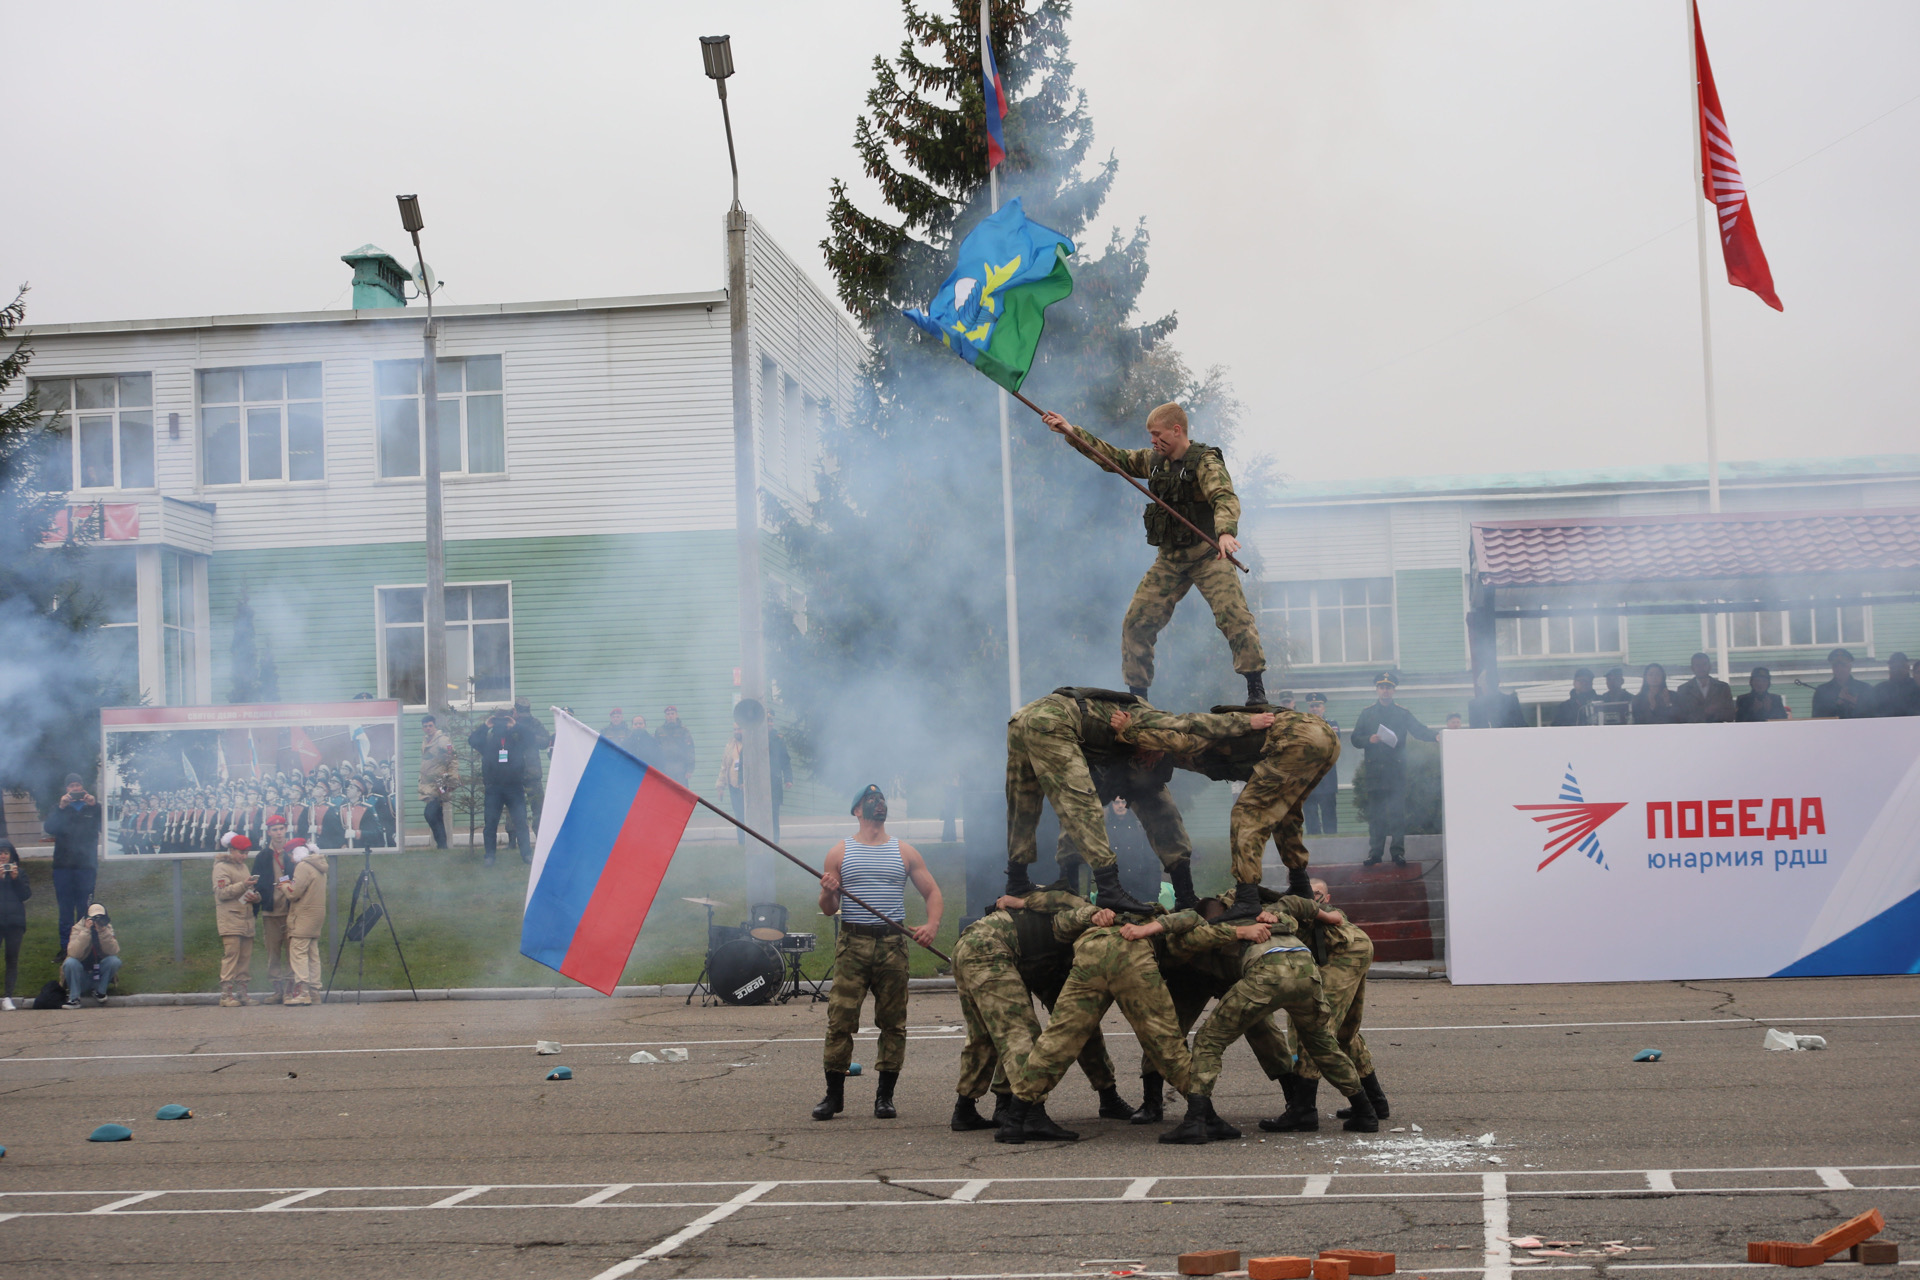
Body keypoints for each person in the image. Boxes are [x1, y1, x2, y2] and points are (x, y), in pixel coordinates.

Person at [1040, 404, 1268, 706]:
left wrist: (1226, 532)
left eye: (1157, 434)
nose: (1152, 441)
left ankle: (1255, 687)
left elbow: (1223, 496)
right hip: (1170, 560)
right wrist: (1072, 432)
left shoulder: (1204, 462)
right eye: (1150, 435)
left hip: (1207, 555)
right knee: (1136, 622)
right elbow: (1113, 458)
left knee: (1234, 616)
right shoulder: (1154, 462)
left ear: (1177, 430)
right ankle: (1138, 698)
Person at [1004, 688, 1273, 913]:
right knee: (1079, 805)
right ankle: (1106, 890)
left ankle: (1018, 881)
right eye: (1148, 759)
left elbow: (1163, 815)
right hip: (1053, 720)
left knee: (1024, 800)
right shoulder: (1151, 719)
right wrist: (1246, 722)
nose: (1145, 762)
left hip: (1022, 720)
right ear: (1161, 745)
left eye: (1147, 763)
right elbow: (1195, 723)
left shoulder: (1130, 760)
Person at [1154, 891, 1375, 1143]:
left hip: (1267, 973)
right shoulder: (1273, 915)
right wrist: (1328, 914)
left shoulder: (1220, 927)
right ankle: (1364, 1111)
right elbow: (1297, 905)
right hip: (1306, 970)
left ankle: (1196, 1120)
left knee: (1209, 1040)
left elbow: (1185, 932)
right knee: (1322, 1044)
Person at [999, 898, 1197, 1145]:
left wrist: (1089, 916)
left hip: (1090, 953)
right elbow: (1193, 921)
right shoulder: (1160, 919)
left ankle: (1015, 1119)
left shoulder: (1087, 908)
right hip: (1131, 958)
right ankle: (1203, 1113)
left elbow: (1061, 922)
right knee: (1164, 1039)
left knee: (1058, 1040)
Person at [1113, 703, 1339, 916]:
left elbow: (1183, 740)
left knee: (1247, 814)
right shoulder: (1168, 754)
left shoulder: (1183, 732)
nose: (1145, 762)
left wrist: (1129, 732)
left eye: (1142, 754)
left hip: (1295, 737)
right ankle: (1300, 884)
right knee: (1286, 812)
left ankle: (1247, 899)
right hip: (1323, 739)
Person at [949, 889, 1130, 1138]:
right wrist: (1097, 915)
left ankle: (965, 1110)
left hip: (976, 947)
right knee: (1020, 1033)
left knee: (986, 1035)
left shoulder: (1060, 952)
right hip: (989, 949)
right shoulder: (1075, 918)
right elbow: (1078, 915)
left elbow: (1079, 1025)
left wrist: (1106, 1090)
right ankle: (1031, 1115)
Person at [813, 785, 942, 1122]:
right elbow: (829, 909)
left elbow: (932, 891)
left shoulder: (905, 851)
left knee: (893, 1023)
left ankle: (885, 1098)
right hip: (853, 944)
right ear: (857, 810)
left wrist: (932, 924)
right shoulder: (839, 852)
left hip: (891, 945)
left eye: (882, 799)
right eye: (870, 800)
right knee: (840, 1021)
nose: (878, 803)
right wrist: (827, 893)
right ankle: (833, 1096)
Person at [1265, 877, 1388, 1132]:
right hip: (1354, 950)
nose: (1314, 897)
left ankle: (1303, 1110)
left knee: (1316, 1029)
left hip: (1345, 955)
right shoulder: (1291, 905)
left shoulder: (1327, 912)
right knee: (1345, 1034)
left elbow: (1314, 916)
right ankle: (1376, 1101)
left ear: (1327, 898)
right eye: (1310, 892)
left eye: (1319, 893)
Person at [1350, 673, 1437, 867]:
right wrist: (1368, 740)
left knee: (1397, 814)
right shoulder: (1368, 713)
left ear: (1394, 690)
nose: (1385, 690)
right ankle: (1375, 853)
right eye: (1382, 687)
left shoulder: (1402, 713)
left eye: (1389, 687)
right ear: (1377, 690)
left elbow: (1419, 729)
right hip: (1375, 773)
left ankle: (1398, 852)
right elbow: (1355, 738)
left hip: (1395, 771)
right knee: (1376, 815)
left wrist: (1437, 736)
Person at [469, 706, 538, 866]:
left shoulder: (517, 740)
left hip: (514, 787)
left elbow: (531, 739)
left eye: (505, 720)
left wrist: (516, 725)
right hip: (494, 788)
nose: (502, 725)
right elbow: (472, 740)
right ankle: (490, 856)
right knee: (491, 823)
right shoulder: (487, 741)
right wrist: (486, 725)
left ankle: (527, 854)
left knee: (520, 822)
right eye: (499, 720)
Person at [44, 773, 101, 944]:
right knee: (65, 908)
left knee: (85, 908)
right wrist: (61, 807)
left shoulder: (92, 807)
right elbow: (49, 828)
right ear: (66, 789)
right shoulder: (60, 807)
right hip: (63, 866)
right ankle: (66, 947)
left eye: (78, 785)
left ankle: (85, 947)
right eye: (71, 786)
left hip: (86, 866)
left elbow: (104, 827)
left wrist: (95, 806)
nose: (75, 789)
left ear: (83, 788)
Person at [249, 818, 296, 1003]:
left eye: (281, 829)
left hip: (291, 910)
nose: (278, 833)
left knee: (292, 951)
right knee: (273, 952)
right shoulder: (263, 856)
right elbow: (257, 882)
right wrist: (258, 899)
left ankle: (291, 989)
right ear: (268, 832)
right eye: (274, 829)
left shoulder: (293, 852)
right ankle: (277, 989)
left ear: (286, 830)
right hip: (271, 911)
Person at [212, 833, 258, 1007]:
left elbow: (245, 890)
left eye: (246, 853)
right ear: (231, 850)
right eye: (241, 853)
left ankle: (242, 993)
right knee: (231, 956)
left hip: (246, 917)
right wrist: (244, 885)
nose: (244, 857)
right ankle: (226, 994)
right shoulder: (221, 867)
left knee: (245, 958)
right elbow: (222, 893)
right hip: (230, 918)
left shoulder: (243, 867)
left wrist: (255, 896)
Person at [280, 840, 328, 1006]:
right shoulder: (320, 866)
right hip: (316, 916)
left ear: (297, 852)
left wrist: (284, 885)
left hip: (303, 916)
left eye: (291, 855)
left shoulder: (303, 867)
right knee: (313, 953)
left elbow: (294, 893)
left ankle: (302, 991)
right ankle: (315, 992)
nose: (291, 860)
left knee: (298, 952)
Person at [62, 902, 121, 1008]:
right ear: (87, 918)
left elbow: (114, 951)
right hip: (81, 976)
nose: (97, 921)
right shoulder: (78, 928)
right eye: (94, 918)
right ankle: (74, 998)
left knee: (114, 961)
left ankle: (100, 991)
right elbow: (73, 953)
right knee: (70, 962)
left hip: (98, 975)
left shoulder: (106, 928)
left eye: (100, 917)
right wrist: (86, 931)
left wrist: (103, 932)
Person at [418, 714, 458, 850]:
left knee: (429, 813)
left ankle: (442, 844)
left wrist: (451, 779)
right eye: (425, 726)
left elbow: (452, 758)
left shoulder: (442, 740)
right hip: (428, 783)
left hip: (439, 781)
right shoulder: (426, 740)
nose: (428, 728)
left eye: (430, 726)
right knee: (436, 814)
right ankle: (442, 846)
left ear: (435, 726)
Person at [1302, 695, 1340, 836]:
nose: (1315, 709)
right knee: (1311, 815)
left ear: (1323, 708)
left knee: (1329, 814)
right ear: (1308, 708)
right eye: (1312, 706)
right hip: (1308, 779)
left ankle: (1332, 846)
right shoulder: (1302, 726)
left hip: (1327, 778)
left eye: (1318, 706)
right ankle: (1314, 847)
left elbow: (1333, 744)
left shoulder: (1331, 724)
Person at [0, 841, 30, 1011]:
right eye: (0, 853)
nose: (3, 856)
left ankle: (7, 997)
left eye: (5, 853)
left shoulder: (20, 873)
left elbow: (25, 895)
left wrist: (15, 879)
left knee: (11, 959)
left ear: (11, 855)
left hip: (14, 923)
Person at [515, 696, 551, 837]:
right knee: (514, 808)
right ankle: (513, 840)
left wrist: (530, 737)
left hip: (532, 772)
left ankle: (541, 837)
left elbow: (545, 741)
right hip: (514, 772)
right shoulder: (511, 723)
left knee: (538, 807)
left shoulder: (535, 723)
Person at [1811, 648, 1878, 719]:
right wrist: (1838, 703)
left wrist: (1855, 704)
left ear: (1850, 667)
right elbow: (1818, 719)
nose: (1839, 669)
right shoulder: (1821, 691)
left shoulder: (1865, 689)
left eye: (1843, 665)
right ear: (1832, 668)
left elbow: (1873, 716)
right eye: (1836, 666)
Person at [1673, 652, 1736, 724]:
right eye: (1697, 665)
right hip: (1693, 732)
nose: (1701, 668)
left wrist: (1715, 711)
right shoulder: (1683, 690)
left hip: (1717, 731)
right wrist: (1704, 712)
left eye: (1704, 664)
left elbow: (1731, 715)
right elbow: (1679, 717)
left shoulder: (1722, 688)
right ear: (1692, 668)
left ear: (1710, 666)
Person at [716, 728, 746, 846]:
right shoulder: (730, 745)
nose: (737, 731)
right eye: (735, 729)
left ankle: (752, 841)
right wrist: (720, 786)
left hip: (748, 788)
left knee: (749, 816)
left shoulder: (751, 744)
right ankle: (741, 842)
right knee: (739, 815)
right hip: (733, 786)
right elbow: (724, 766)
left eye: (739, 729)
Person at [769, 714, 794, 844]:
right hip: (758, 785)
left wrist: (788, 779)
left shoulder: (778, 740)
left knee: (774, 814)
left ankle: (775, 842)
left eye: (771, 720)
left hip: (774, 783)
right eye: (767, 721)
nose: (770, 723)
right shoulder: (754, 737)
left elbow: (785, 761)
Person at [655, 706, 695, 785]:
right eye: (668, 714)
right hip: (665, 767)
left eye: (672, 714)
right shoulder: (659, 730)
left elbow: (690, 750)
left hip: (680, 768)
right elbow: (656, 750)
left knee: (681, 793)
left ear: (677, 715)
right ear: (665, 716)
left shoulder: (683, 730)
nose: (670, 716)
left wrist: (689, 769)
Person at [1876, 653, 1920, 717]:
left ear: (1907, 667)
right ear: (1890, 668)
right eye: (1894, 666)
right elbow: (1873, 713)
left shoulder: (1917, 686)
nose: (1898, 669)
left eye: (1901, 666)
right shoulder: (1879, 689)